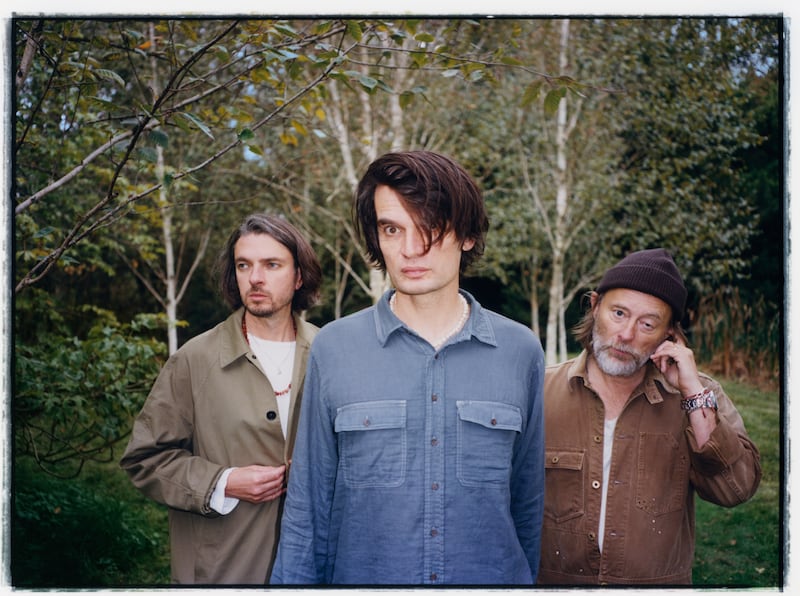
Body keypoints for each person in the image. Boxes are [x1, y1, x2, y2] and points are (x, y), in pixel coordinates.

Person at [270, 150, 545, 586]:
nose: (411, 249)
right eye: (392, 229)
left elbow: (528, 506)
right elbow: (308, 507)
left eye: (430, 227)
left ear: (468, 235)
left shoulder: (521, 351)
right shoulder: (333, 348)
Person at [538, 248, 762, 585]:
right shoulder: (540, 390)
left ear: (668, 334)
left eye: (647, 324)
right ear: (595, 305)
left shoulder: (700, 395)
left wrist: (692, 394)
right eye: (618, 313)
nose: (626, 334)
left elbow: (735, 491)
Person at [120, 213, 322, 585]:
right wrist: (222, 482)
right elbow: (144, 459)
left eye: (271, 265)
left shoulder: (331, 353)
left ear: (298, 277)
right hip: (222, 570)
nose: (255, 278)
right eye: (244, 265)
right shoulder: (195, 359)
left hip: (315, 569)